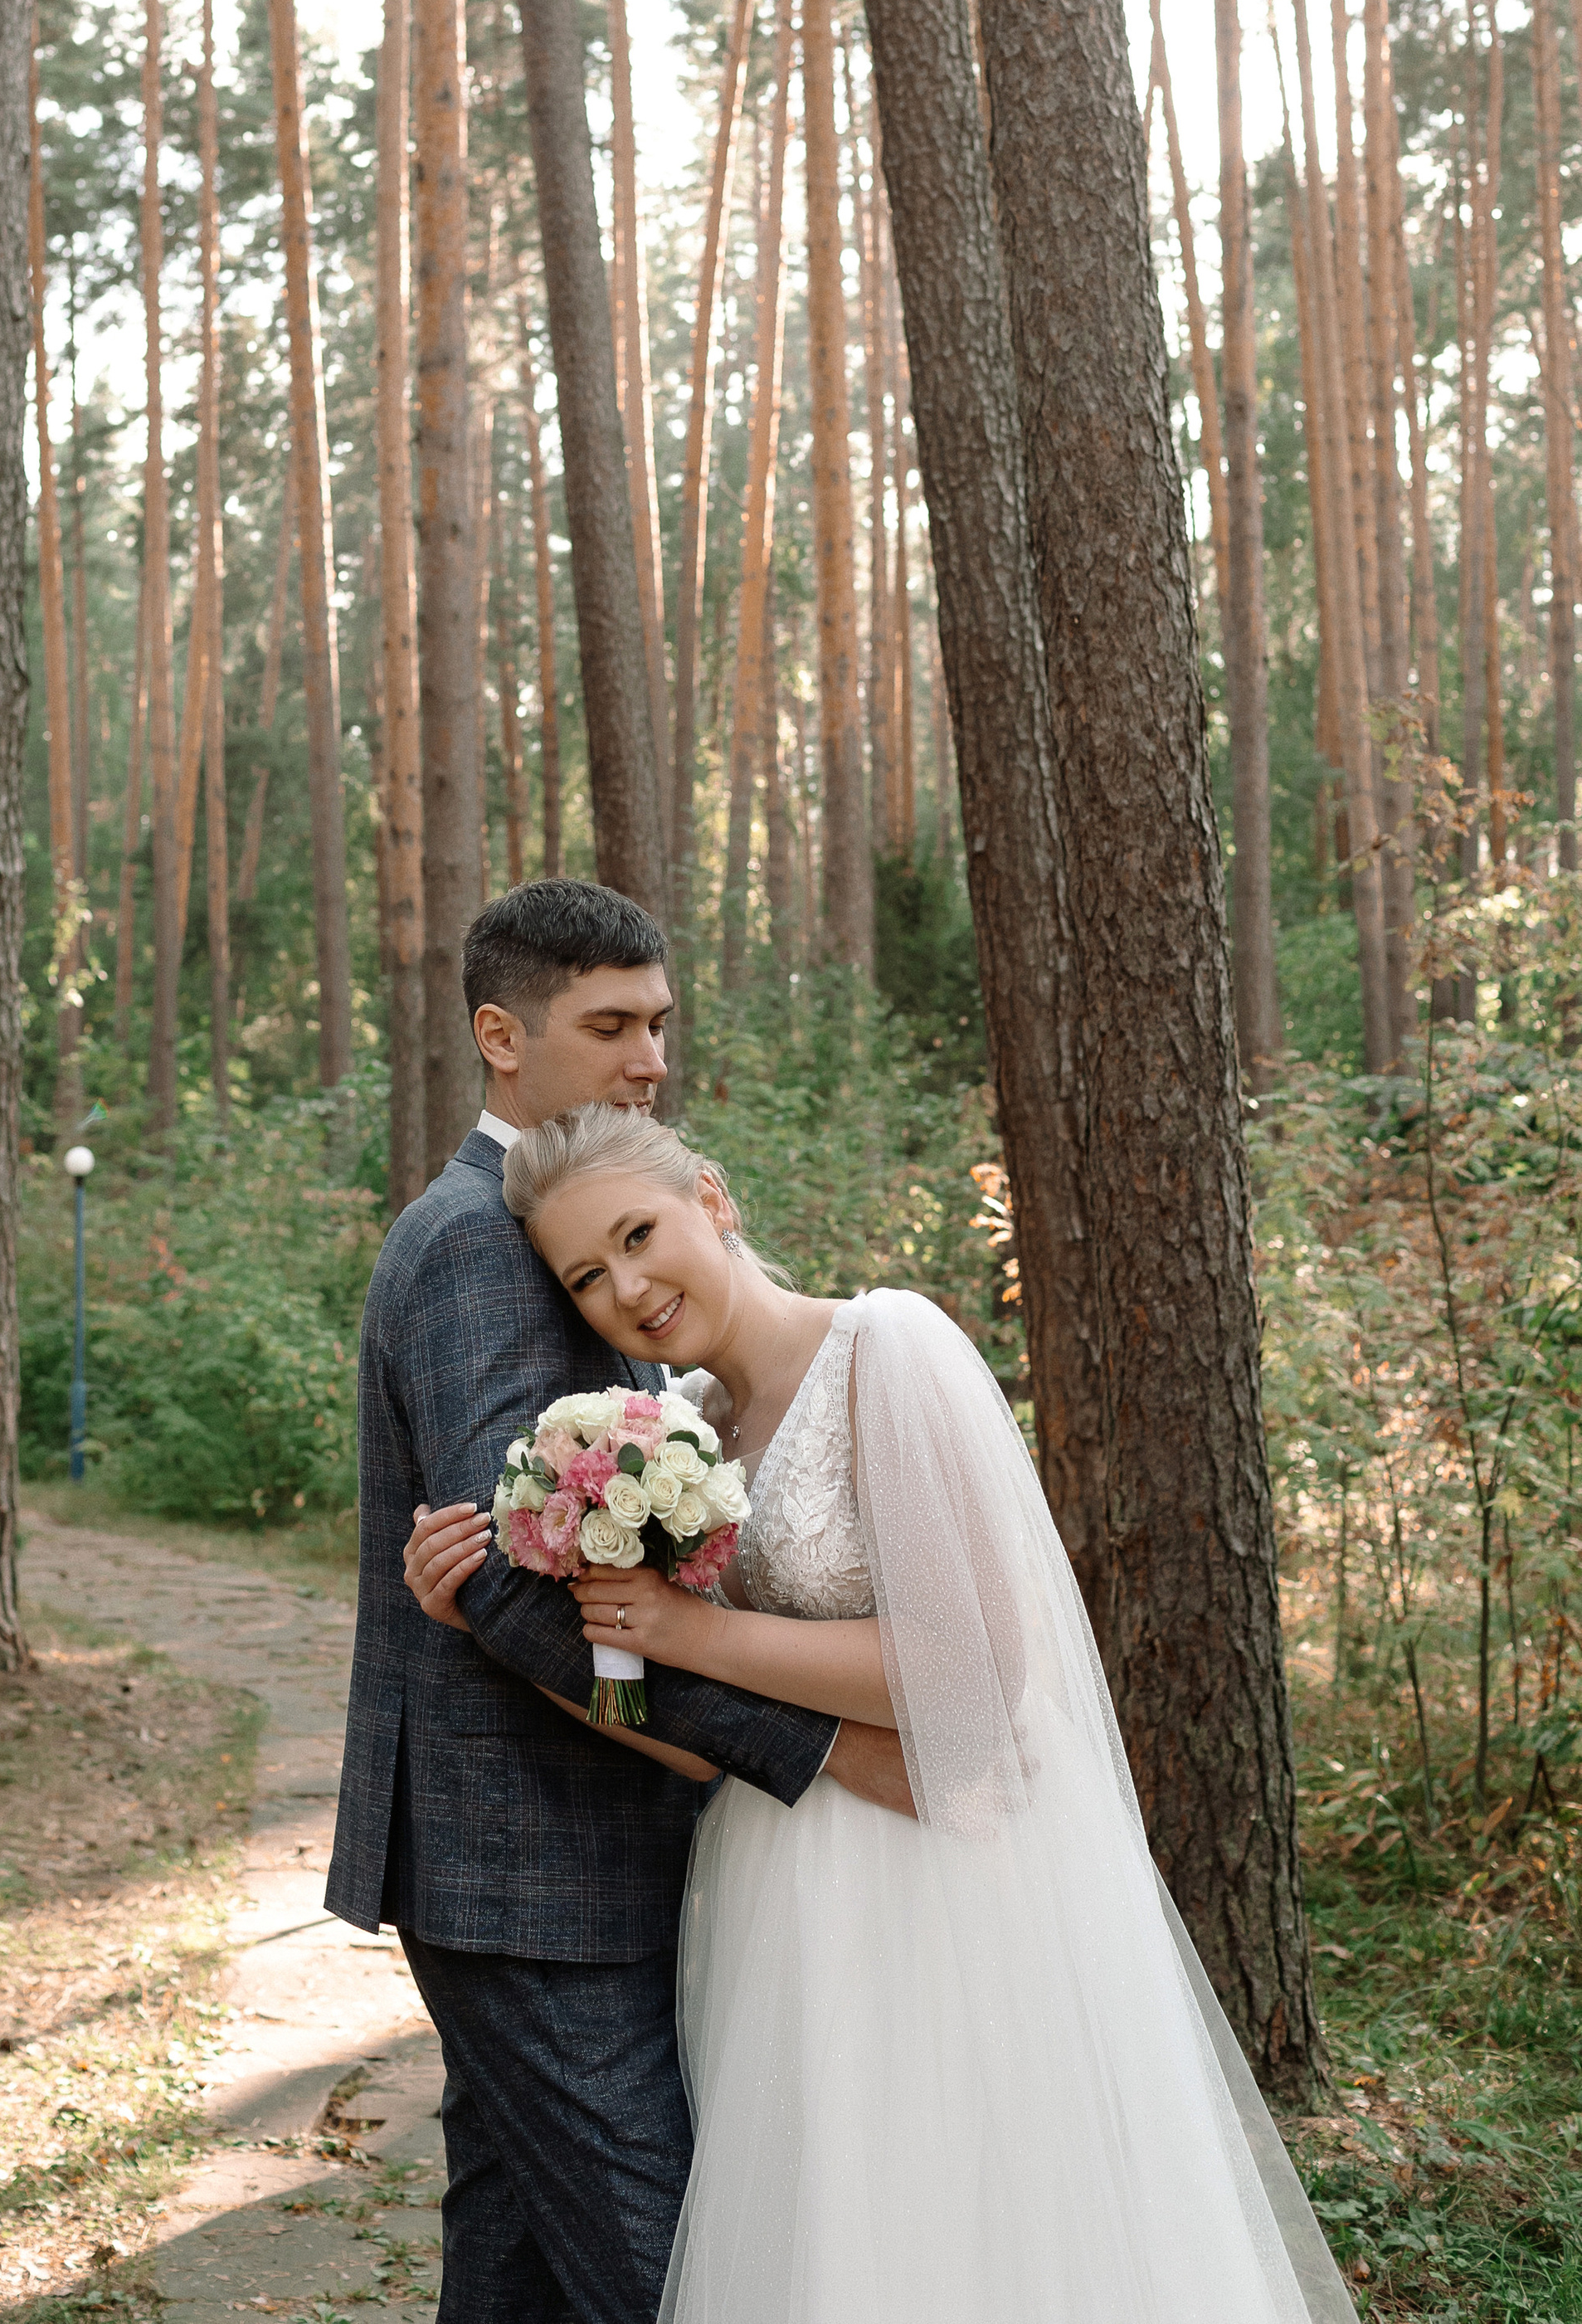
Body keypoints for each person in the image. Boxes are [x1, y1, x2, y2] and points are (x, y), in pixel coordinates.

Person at [403, 1103, 1360, 2324]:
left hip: (957, 1870)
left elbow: (973, 1665)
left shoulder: (885, 1349)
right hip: (784, 1877)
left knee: (986, 2218)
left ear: (712, 1197)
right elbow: (686, 1732)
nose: (627, 1288)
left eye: (640, 1234)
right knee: (842, 2235)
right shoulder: (673, 1432)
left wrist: (696, 1630)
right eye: (587, 1275)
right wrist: (482, 1621)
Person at [327, 880, 911, 2324]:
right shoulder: (478, 1238)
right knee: (672, 2278)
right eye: (612, 1024)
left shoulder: (562, 1222)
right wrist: (796, 1749)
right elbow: (520, 1585)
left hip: (563, 1847)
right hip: (530, 1855)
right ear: (501, 1037)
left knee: (521, 2260)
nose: (653, 1055)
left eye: (659, 1020)